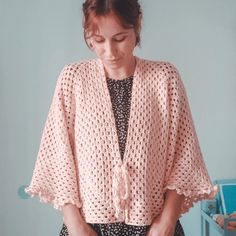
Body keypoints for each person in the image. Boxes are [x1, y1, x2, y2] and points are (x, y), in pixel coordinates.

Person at [25, 0, 217, 235]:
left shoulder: (165, 79)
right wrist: (76, 226)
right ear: (88, 35)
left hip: (154, 227)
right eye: (98, 40)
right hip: (88, 228)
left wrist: (167, 221)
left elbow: (184, 157)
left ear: (136, 28)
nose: (110, 51)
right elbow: (57, 156)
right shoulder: (73, 79)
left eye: (119, 39)